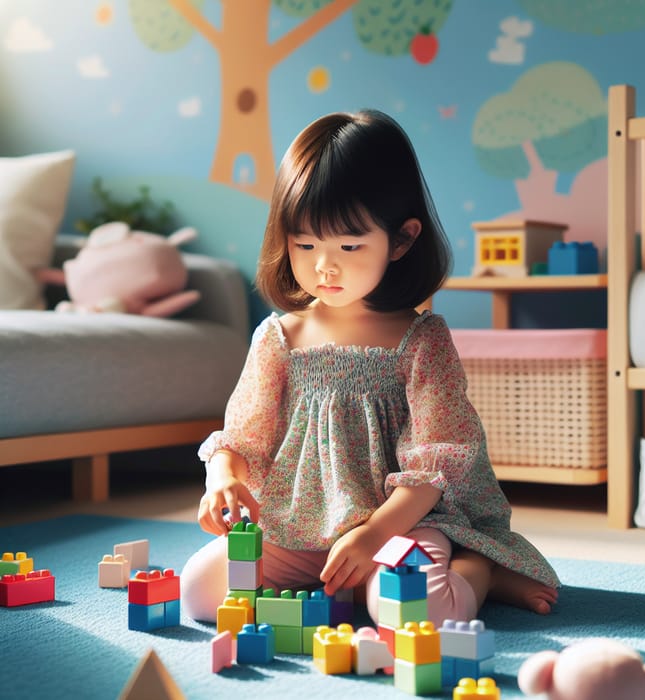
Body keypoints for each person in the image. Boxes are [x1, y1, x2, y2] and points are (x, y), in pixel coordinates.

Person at [180, 109, 559, 625]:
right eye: (305, 244)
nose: (324, 265)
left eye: (349, 245)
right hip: (297, 525)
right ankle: (343, 587)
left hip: (397, 524)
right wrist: (220, 478)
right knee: (200, 593)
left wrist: (373, 535)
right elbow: (243, 435)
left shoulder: (421, 339)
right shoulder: (278, 338)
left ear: (401, 240)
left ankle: (479, 571)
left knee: (412, 613)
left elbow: (437, 464)